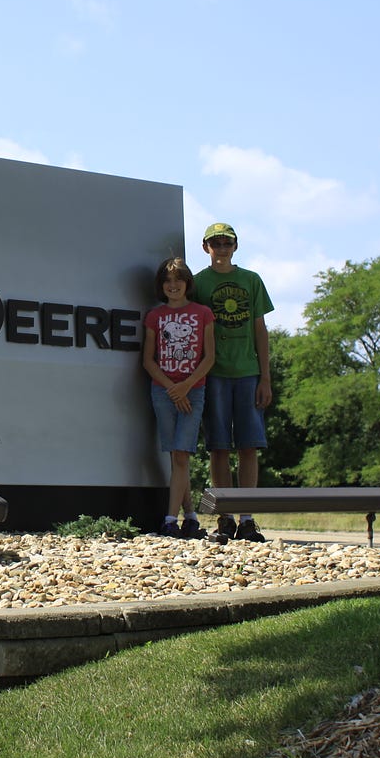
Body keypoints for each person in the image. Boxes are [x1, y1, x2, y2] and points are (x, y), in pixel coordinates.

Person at [192, 222, 274, 542]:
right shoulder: (198, 284)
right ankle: (224, 515)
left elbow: (260, 329)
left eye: (227, 243)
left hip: (247, 372)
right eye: (216, 243)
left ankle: (248, 516)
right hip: (213, 373)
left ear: (235, 247)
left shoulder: (251, 280)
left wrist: (265, 377)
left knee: (249, 445)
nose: (222, 249)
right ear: (206, 248)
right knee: (219, 446)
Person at [142, 256, 219, 540]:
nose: (173, 285)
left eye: (178, 280)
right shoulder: (154, 316)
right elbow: (149, 361)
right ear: (161, 285)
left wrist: (185, 386)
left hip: (193, 391)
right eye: (168, 281)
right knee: (176, 456)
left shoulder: (203, 313)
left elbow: (209, 356)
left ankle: (170, 520)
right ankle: (192, 518)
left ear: (188, 283)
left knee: (182, 455)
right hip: (162, 391)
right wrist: (171, 388)